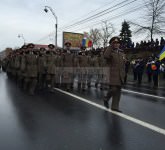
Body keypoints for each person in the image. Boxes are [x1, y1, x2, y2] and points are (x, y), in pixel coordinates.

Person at [103, 36, 126, 112]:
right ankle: (106, 98)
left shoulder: (122, 53)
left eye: (118, 43)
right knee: (113, 89)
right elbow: (106, 56)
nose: (116, 44)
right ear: (112, 44)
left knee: (118, 91)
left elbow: (124, 63)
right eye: (114, 43)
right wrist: (110, 46)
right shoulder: (109, 51)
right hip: (112, 74)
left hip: (120, 75)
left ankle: (115, 107)